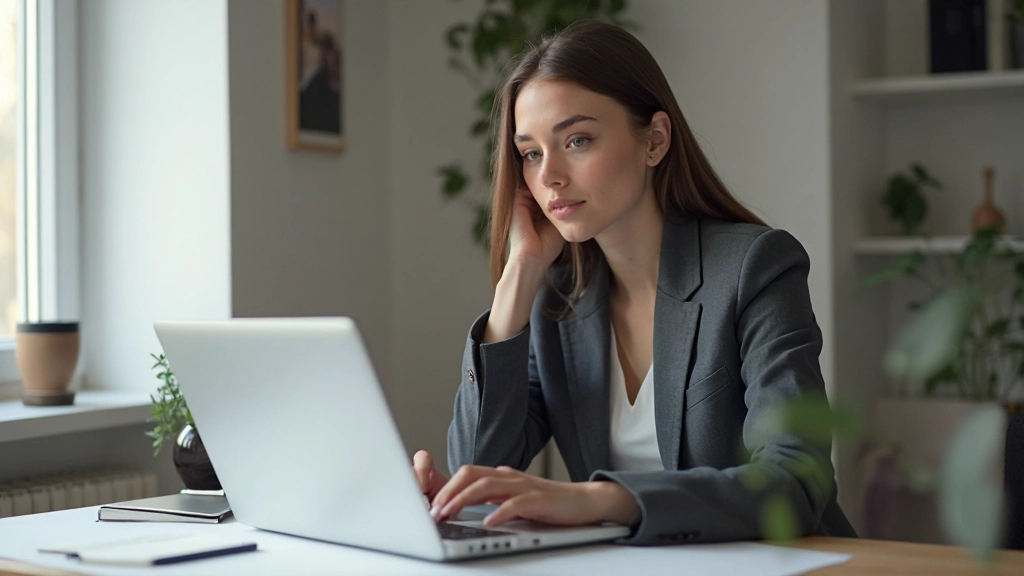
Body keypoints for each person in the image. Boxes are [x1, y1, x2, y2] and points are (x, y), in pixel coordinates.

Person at [412, 20, 857, 545]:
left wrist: (601, 500)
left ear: (655, 140)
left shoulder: (755, 267)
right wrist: (519, 275)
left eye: (577, 139)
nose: (549, 175)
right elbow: (482, 471)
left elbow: (795, 481)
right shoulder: (557, 300)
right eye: (530, 153)